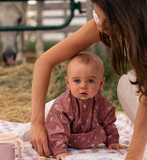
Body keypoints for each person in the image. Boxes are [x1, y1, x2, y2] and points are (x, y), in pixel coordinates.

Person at [30, 0, 147, 159]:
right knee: (126, 83)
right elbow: (44, 62)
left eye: (107, 21)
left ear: (127, 15)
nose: (100, 27)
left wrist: (133, 155)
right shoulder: (103, 27)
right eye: (98, 18)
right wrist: (36, 123)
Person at [45, 52, 127, 160]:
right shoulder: (63, 104)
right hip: (56, 123)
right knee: (43, 129)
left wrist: (112, 141)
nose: (83, 86)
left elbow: (109, 122)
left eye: (90, 81)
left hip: (85, 136)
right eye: (77, 81)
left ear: (101, 83)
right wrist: (59, 150)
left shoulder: (101, 102)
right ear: (68, 83)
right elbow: (57, 128)